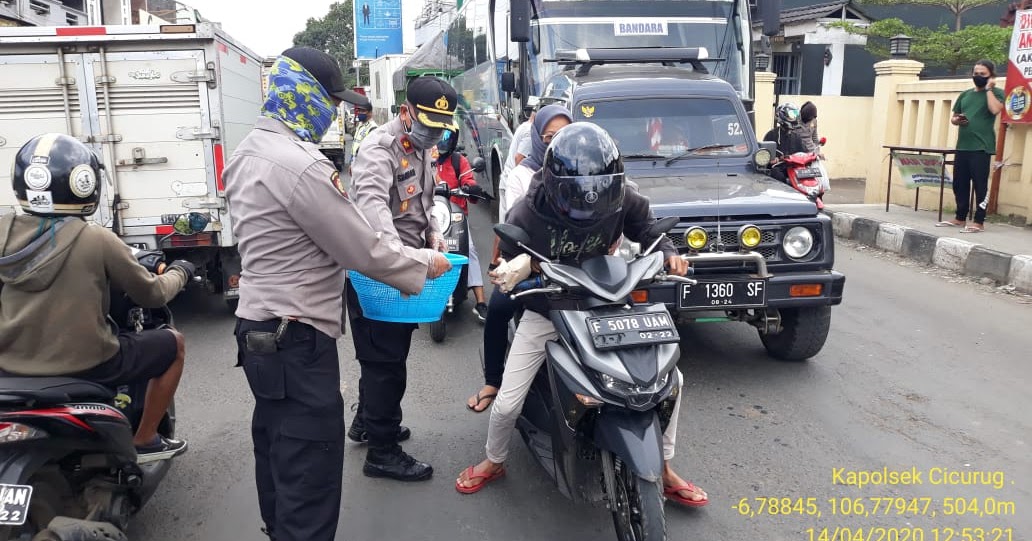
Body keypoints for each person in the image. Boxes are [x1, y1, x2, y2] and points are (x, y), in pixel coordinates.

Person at [223, 47, 450, 541]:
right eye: (329, 99)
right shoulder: (301, 166)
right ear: (303, 94)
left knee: (279, 449)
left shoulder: (248, 152)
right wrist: (424, 266)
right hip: (295, 336)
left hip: (259, 330)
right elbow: (363, 246)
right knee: (311, 471)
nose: (335, 111)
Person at [456, 123, 709, 509]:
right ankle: (494, 460)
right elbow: (508, 257)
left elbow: (650, 231)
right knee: (507, 402)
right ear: (555, 184)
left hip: (605, 301)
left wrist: (670, 252)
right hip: (549, 307)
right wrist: (516, 271)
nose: (588, 209)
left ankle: (666, 466)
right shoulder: (529, 208)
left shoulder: (622, 196)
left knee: (671, 379)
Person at [0, 133, 193, 462]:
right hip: (89, 364)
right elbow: (151, 294)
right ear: (85, 184)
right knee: (174, 344)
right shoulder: (96, 238)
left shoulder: (3, 230)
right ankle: (145, 438)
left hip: (8, 367)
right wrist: (181, 272)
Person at [346, 75, 459, 482]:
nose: (433, 134)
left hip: (404, 270)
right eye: (427, 123)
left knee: (383, 356)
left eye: (439, 127)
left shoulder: (423, 147)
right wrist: (420, 257)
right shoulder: (379, 150)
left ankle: (367, 422)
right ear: (405, 111)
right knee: (386, 365)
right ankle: (382, 450)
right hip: (380, 275)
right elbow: (376, 225)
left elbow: (422, 202)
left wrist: (433, 232)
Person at [467, 104, 572, 413]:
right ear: (538, 138)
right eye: (550, 135)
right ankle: (492, 381)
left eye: (564, 134)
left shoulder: (585, 169)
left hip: (580, 264)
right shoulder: (523, 175)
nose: (557, 142)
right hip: (534, 260)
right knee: (499, 306)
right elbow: (520, 226)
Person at [938, 60, 1005, 233]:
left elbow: (995, 110)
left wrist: (989, 89)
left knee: (980, 184)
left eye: (982, 74)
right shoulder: (965, 95)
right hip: (963, 146)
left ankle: (979, 221)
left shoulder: (997, 93)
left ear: (991, 76)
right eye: (976, 73)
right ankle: (960, 217)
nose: (978, 77)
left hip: (981, 147)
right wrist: (957, 120)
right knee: (960, 183)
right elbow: (953, 118)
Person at [435, 128, 490, 321]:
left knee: (470, 250)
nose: (442, 139)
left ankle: (481, 302)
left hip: (455, 216)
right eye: (439, 134)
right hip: (428, 215)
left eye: (447, 136)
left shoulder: (459, 161)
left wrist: (470, 188)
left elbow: (469, 180)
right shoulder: (425, 156)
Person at [497, 102, 536, 223]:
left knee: (504, 226)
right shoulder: (530, 131)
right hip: (513, 186)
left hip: (506, 180)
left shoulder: (524, 125)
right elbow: (519, 159)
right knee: (512, 225)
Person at [763, 103, 809, 184]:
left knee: (809, 174)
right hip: (779, 168)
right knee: (776, 172)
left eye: (795, 115)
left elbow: (805, 153)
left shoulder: (796, 137)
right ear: (782, 115)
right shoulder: (771, 135)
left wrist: (815, 155)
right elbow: (764, 156)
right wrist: (772, 160)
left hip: (794, 168)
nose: (794, 118)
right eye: (792, 115)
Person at [349, 96, 378, 174]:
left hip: (364, 166)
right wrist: (351, 163)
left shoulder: (373, 128)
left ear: (370, 113)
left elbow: (369, 151)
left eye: (363, 111)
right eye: (359, 110)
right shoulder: (360, 125)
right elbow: (355, 144)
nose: (360, 113)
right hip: (356, 163)